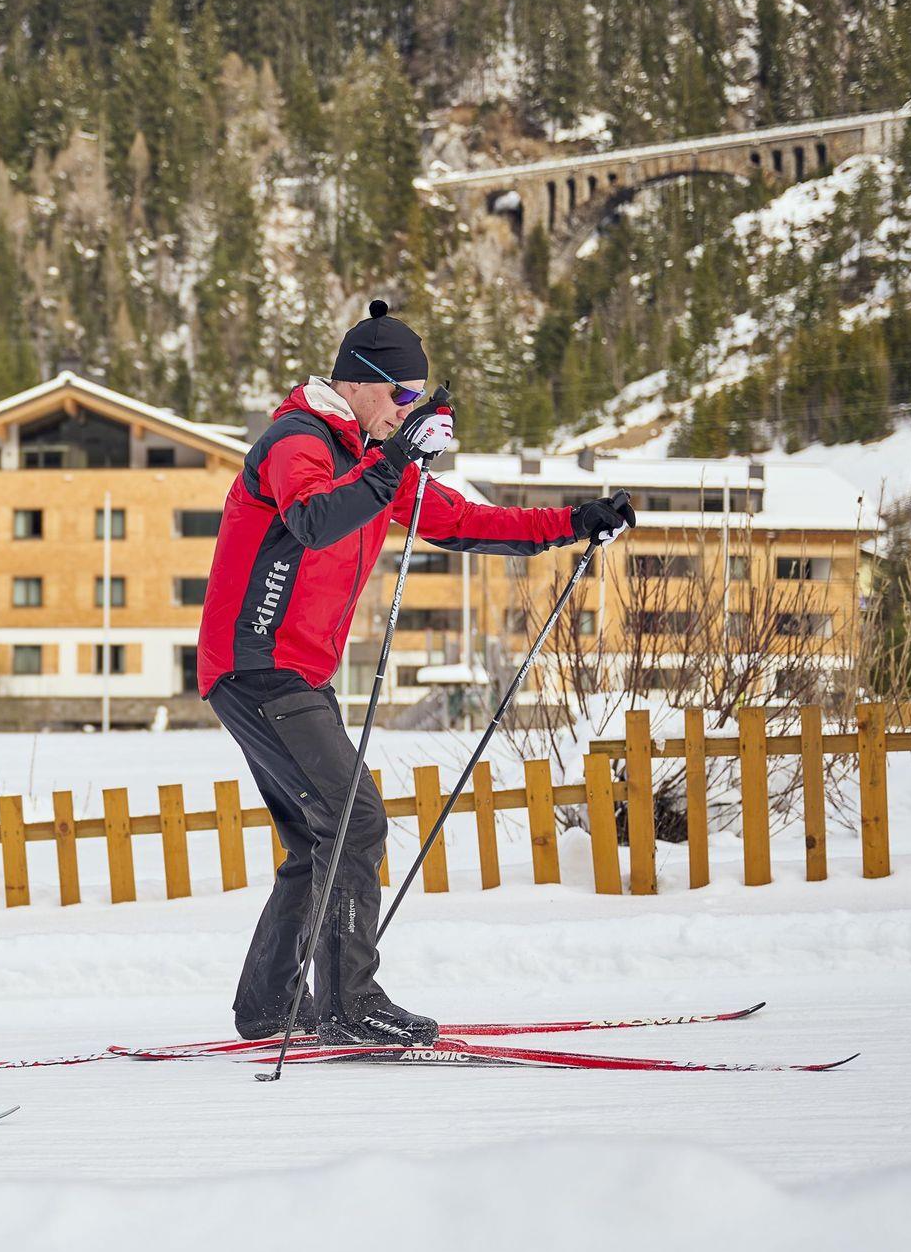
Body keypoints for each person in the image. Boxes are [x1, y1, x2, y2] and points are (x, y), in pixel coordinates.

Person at [196, 301, 634, 1046]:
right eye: (401, 394)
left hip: (290, 673)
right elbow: (314, 520)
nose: (407, 410)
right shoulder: (297, 441)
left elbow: (461, 521)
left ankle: (270, 1006)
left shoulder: (370, 462)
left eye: (417, 400)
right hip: (259, 664)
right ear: (357, 383)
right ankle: (348, 1004)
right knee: (356, 820)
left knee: (319, 837)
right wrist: (397, 457)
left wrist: (572, 522)